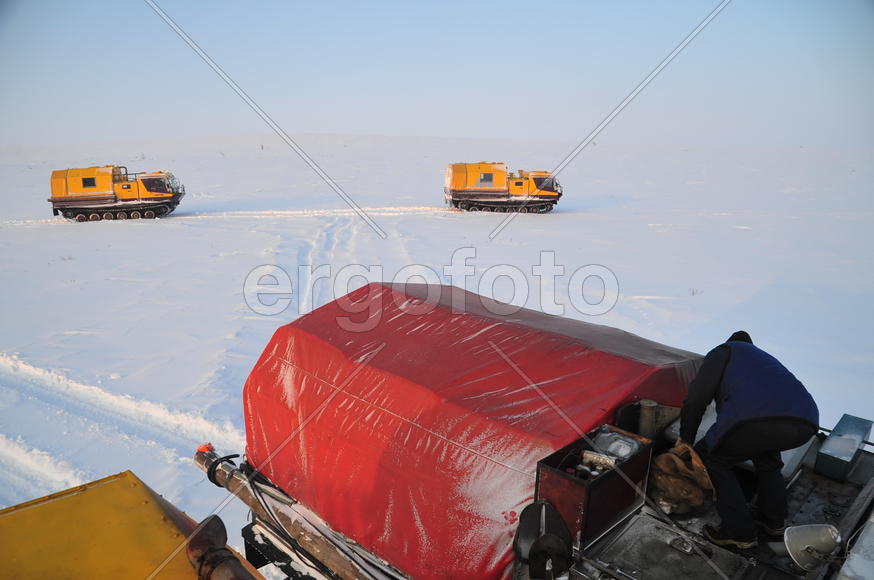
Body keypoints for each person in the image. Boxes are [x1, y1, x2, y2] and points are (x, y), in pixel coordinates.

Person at [679, 331, 819, 549]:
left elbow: (697, 398)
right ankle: (773, 522)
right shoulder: (764, 362)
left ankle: (739, 532)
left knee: (713, 459)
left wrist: (685, 438)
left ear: (731, 342)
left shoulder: (725, 351)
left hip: (755, 418)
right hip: (805, 421)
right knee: (768, 463)